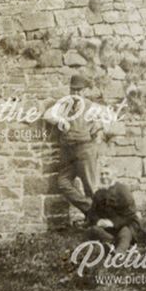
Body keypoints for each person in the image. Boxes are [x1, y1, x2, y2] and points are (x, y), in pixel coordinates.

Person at [43, 73, 104, 216]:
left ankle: (98, 222)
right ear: (69, 90)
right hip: (68, 151)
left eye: (79, 90)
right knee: (62, 183)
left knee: (91, 187)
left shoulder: (91, 106)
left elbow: (100, 127)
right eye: (73, 90)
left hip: (85, 149)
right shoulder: (64, 104)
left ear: (84, 91)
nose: (76, 94)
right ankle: (90, 209)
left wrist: (96, 139)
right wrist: (60, 121)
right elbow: (47, 115)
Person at [85, 181, 146, 251]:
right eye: (102, 174)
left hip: (124, 223)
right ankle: (111, 242)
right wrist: (98, 221)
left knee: (125, 233)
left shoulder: (123, 190)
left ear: (113, 174)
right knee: (94, 230)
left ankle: (119, 252)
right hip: (107, 228)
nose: (104, 177)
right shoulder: (99, 192)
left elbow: (131, 214)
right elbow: (92, 212)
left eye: (107, 173)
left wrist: (113, 223)